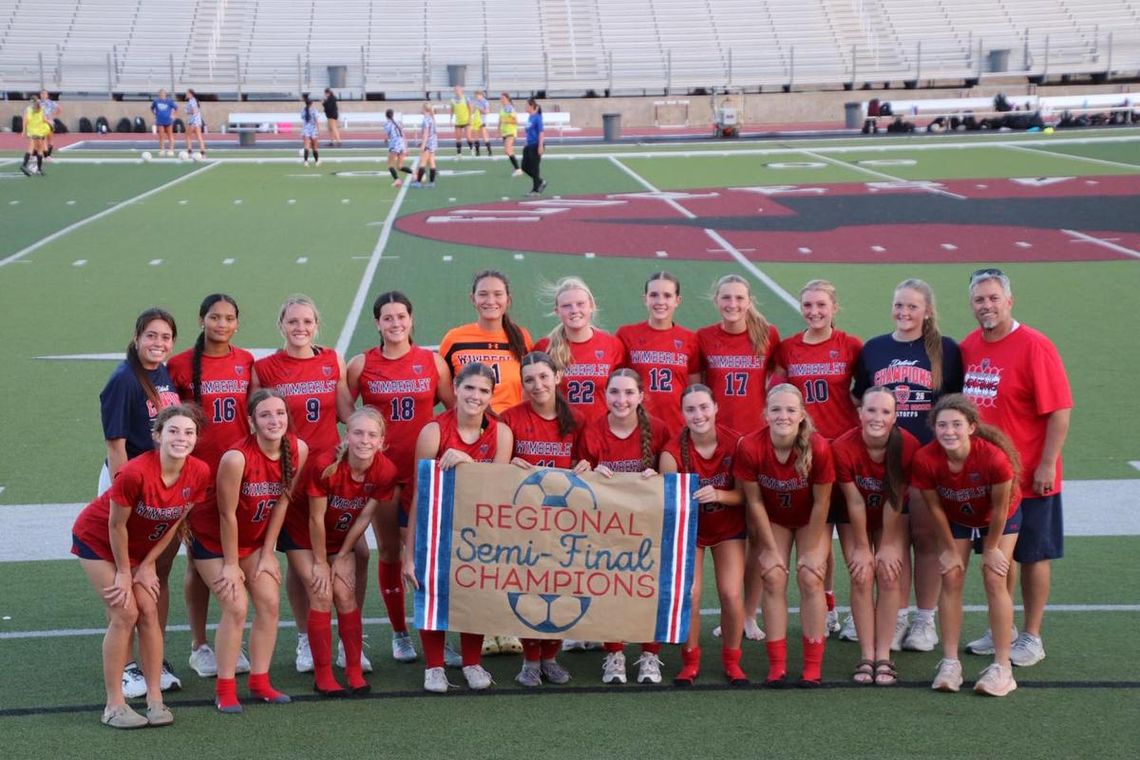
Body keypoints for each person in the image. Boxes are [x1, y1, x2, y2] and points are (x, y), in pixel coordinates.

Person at [72, 405, 211, 728]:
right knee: (125, 612)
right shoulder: (134, 473)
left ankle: (154, 699)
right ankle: (114, 705)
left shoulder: (199, 471)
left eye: (189, 432)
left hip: (136, 550)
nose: (181, 438)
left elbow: (176, 520)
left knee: (149, 610)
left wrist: (147, 564)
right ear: (158, 435)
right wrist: (124, 571)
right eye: (173, 431)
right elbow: (115, 526)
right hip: (98, 541)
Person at [959, 268, 1071, 667]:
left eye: (993, 298)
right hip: (987, 479)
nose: (986, 306)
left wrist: (1046, 464)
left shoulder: (1034, 345)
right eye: (979, 300)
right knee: (995, 557)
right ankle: (1000, 628)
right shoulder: (970, 346)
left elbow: (1059, 411)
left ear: (1009, 300)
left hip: (1030, 476)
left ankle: (1032, 635)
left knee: (1032, 555)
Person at [852, 278, 963, 652]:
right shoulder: (874, 349)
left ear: (927, 311)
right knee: (891, 541)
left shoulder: (946, 350)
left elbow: (956, 406)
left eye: (912, 306)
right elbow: (862, 402)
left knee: (926, 540)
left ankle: (924, 620)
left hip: (931, 461)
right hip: (889, 462)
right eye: (899, 305)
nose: (904, 313)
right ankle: (896, 614)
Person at [345, 291, 454, 663]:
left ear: (411, 319)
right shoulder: (362, 364)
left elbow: (453, 409)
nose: (395, 324)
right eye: (387, 318)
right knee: (391, 551)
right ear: (377, 323)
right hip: (385, 473)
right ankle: (399, 633)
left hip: (425, 470)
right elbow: (345, 407)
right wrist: (363, 441)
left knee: (429, 554)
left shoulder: (432, 361)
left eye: (401, 317)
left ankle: (436, 633)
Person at [187, 390, 309, 712]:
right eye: (265, 415)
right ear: (252, 421)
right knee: (237, 605)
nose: (274, 420)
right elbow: (226, 514)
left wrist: (268, 552)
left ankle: (260, 681)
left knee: (269, 602)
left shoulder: (298, 448)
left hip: (253, 540)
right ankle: (225, 688)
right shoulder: (236, 457)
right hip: (214, 541)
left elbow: (283, 500)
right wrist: (230, 564)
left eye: (280, 413)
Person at [252, 295, 353, 674]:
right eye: (293, 321)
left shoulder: (331, 359)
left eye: (307, 321)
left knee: (349, 554)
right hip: (290, 471)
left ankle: (346, 636)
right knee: (300, 562)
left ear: (316, 325)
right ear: (281, 324)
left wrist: (366, 435)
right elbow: (257, 419)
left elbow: (344, 409)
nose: (300, 328)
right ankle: (305, 637)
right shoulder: (266, 368)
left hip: (331, 472)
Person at [405, 363, 513, 693]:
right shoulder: (433, 431)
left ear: (491, 395)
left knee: (474, 593)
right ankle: (434, 666)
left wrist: (467, 464)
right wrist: (409, 553)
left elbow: (497, 490)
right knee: (433, 591)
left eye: (483, 390)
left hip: (478, 531)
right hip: (436, 530)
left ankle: (471, 661)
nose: (475, 396)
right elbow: (418, 495)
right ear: (455, 389)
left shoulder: (501, 433)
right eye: (469, 388)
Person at [167, 294, 254, 679]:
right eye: (214, 317)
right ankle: (199, 644)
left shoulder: (246, 360)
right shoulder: (180, 364)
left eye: (229, 318)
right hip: (196, 474)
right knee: (197, 558)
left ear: (237, 323)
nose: (222, 323)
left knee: (235, 551)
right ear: (201, 319)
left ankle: (231, 635)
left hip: (237, 470)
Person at [282, 408, 399, 696]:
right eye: (358, 432)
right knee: (322, 593)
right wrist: (322, 562)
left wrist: (345, 553)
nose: (364, 440)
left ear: (382, 440)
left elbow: (363, 518)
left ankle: (354, 669)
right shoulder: (326, 465)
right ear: (347, 435)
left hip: (340, 536)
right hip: (303, 535)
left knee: (345, 593)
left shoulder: (385, 470)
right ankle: (322, 675)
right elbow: (314, 519)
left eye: (372, 435)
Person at [913, 394, 1023, 697]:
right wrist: (948, 548)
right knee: (950, 576)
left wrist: (991, 549)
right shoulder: (925, 458)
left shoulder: (994, 458)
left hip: (998, 516)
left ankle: (1003, 668)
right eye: (942, 425)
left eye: (957, 425)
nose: (949, 431)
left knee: (994, 576)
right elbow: (935, 509)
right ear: (934, 428)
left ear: (972, 427)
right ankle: (950, 663)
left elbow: (1000, 509)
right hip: (957, 513)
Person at [99, 307, 183, 697]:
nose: (158, 344)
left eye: (165, 338)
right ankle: (128, 665)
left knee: (158, 574)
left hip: (160, 484)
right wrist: (124, 493)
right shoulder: (124, 380)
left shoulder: (161, 373)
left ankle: (154, 655)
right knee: (128, 576)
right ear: (137, 338)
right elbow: (116, 444)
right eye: (152, 336)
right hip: (131, 486)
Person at [771, 279, 862, 637]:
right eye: (807, 305)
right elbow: (777, 392)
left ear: (834, 308)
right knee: (819, 536)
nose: (814, 312)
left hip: (845, 450)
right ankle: (826, 606)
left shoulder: (851, 346)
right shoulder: (788, 348)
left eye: (821, 305)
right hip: (805, 453)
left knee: (853, 536)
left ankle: (855, 612)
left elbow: (865, 393)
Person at [733, 384, 834, 687]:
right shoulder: (750, 446)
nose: (783, 416)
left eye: (791, 410)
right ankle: (777, 665)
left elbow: (822, 503)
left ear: (802, 415)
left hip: (810, 520)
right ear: (765, 414)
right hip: (773, 518)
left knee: (810, 576)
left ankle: (812, 666)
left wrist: (811, 551)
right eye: (776, 409)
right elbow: (754, 501)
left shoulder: (819, 447)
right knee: (773, 575)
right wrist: (769, 550)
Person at [697, 274, 779, 641]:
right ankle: (730, 609)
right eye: (726, 298)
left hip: (756, 442)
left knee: (757, 532)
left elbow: (776, 385)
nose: (732, 304)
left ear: (749, 300)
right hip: (718, 444)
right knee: (722, 527)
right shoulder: (704, 337)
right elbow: (698, 389)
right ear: (716, 299)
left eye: (739, 298)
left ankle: (749, 614)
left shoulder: (767, 334)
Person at [574, 369, 670, 685]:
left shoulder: (658, 430)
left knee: (647, 588)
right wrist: (589, 473)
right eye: (615, 392)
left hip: (646, 525)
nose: (622, 400)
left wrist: (657, 477)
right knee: (611, 587)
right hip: (606, 526)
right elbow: (579, 481)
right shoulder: (593, 431)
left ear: (641, 396)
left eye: (629, 393)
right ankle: (614, 653)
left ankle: (649, 655)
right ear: (605, 395)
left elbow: (671, 478)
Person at [500, 351, 581, 686]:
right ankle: (530, 659)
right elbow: (497, 472)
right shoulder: (509, 419)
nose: (537, 385)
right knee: (529, 589)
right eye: (529, 379)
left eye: (544, 377)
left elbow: (588, 466)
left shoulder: (577, 419)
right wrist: (509, 468)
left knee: (561, 588)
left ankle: (551, 657)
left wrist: (587, 469)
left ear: (557, 377)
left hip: (566, 523)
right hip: (527, 523)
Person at [658, 384, 748, 686]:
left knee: (731, 594)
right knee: (690, 594)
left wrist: (719, 495)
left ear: (716, 408)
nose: (698, 415)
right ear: (682, 414)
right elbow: (669, 503)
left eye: (704, 407)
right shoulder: (672, 452)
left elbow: (745, 496)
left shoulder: (736, 444)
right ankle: (690, 660)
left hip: (728, 527)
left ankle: (732, 660)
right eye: (691, 409)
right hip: (691, 531)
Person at [831, 387, 920, 685]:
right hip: (852, 514)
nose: (877, 418)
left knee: (889, 573)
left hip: (888, 511)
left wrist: (887, 545)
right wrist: (861, 546)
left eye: (885, 412)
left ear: (896, 417)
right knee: (861, 574)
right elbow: (853, 501)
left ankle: (884, 655)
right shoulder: (843, 447)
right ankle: (866, 656)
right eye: (871, 410)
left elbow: (895, 497)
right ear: (859, 413)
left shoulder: (907, 445)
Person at [616, 271, 701, 435]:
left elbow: (694, 390)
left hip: (677, 427)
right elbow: (616, 384)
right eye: (654, 295)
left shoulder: (690, 339)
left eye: (667, 295)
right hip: (636, 427)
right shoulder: (627, 335)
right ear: (645, 299)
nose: (660, 301)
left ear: (677, 300)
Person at [533, 276, 627, 422]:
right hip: (560, 432)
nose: (574, 310)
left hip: (600, 434)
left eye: (580, 304)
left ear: (591, 306)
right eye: (567, 306)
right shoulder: (544, 348)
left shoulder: (612, 345)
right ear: (557, 311)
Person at [439, 270, 532, 414]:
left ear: (508, 299)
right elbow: (441, 387)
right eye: (483, 294)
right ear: (472, 299)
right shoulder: (454, 339)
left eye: (498, 294)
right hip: (471, 429)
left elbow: (530, 385)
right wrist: (463, 414)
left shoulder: (522, 337)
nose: (490, 301)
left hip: (512, 427)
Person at [521, 97, 547, 195]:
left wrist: (540, 146)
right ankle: (540, 181)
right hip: (529, 145)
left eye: (526, 105)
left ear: (531, 106)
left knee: (535, 167)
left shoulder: (537, 117)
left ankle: (535, 189)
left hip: (536, 145)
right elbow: (529, 132)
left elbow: (541, 132)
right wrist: (526, 143)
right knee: (524, 166)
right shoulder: (530, 117)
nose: (525, 107)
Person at [410, 102, 438, 188]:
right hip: (433, 143)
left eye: (422, 108)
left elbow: (425, 135)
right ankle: (432, 182)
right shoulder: (431, 119)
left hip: (428, 144)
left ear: (425, 110)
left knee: (423, 163)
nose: (420, 109)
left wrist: (423, 145)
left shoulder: (426, 120)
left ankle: (418, 182)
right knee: (432, 162)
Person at [383, 109, 413, 187]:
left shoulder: (387, 124)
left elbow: (386, 137)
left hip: (395, 144)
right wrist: (406, 148)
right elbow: (403, 135)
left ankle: (397, 180)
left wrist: (385, 140)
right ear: (393, 115)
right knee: (399, 166)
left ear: (386, 116)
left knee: (390, 165)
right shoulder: (398, 123)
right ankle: (414, 173)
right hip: (402, 144)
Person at [20, 97, 49, 177]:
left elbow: (25, 120)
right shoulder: (41, 109)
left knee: (31, 148)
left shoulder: (28, 109)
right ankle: (37, 169)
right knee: (39, 149)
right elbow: (44, 120)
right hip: (39, 131)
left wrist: (23, 130)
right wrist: (50, 125)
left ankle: (26, 165)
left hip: (31, 131)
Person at [498, 92, 522, 176]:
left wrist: (506, 121)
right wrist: (498, 131)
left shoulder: (510, 108)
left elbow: (515, 121)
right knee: (507, 151)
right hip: (504, 132)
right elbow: (500, 120)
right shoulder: (502, 109)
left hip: (511, 132)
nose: (501, 100)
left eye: (503, 98)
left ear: (507, 99)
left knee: (508, 150)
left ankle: (518, 169)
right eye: (501, 98)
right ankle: (517, 168)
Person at [151, 89, 177, 157]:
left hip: (168, 120)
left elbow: (176, 108)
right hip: (160, 120)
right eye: (160, 93)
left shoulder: (169, 101)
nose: (162, 94)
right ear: (159, 94)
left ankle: (171, 150)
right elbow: (152, 108)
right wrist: (155, 114)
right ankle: (162, 149)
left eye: (163, 93)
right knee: (161, 135)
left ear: (165, 94)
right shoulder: (156, 101)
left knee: (170, 135)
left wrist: (173, 115)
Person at [183, 89, 206, 157]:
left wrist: (189, 113)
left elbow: (195, 111)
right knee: (199, 137)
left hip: (193, 121)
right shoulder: (193, 100)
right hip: (197, 121)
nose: (186, 94)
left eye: (187, 93)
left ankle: (189, 151)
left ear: (191, 94)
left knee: (188, 136)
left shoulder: (192, 101)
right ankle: (203, 153)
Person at [451, 85, 472, 156]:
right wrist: (451, 119)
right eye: (455, 90)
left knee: (468, 137)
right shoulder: (453, 100)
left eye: (457, 90)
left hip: (466, 120)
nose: (456, 91)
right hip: (458, 121)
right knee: (458, 137)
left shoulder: (466, 98)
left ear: (461, 90)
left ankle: (472, 150)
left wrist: (469, 118)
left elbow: (470, 109)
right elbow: (452, 109)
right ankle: (459, 153)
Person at [38, 89, 59, 159]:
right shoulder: (38, 103)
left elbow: (59, 109)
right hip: (41, 123)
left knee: (50, 139)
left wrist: (53, 115)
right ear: (40, 95)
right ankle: (45, 155)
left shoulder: (51, 102)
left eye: (45, 94)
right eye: (42, 94)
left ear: (47, 95)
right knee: (42, 139)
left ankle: (48, 155)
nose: (43, 95)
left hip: (49, 122)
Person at [470, 89, 492, 157]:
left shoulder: (485, 102)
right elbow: (472, 111)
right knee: (476, 136)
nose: (476, 97)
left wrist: (480, 109)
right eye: (476, 96)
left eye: (477, 95)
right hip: (476, 121)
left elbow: (487, 111)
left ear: (481, 95)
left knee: (484, 136)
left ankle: (489, 151)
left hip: (482, 121)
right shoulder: (475, 102)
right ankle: (477, 151)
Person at [300, 96, 320, 166]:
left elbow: (303, 119)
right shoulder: (315, 110)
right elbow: (317, 121)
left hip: (305, 129)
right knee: (314, 146)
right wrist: (318, 130)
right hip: (313, 129)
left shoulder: (303, 110)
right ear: (311, 103)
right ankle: (317, 161)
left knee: (306, 146)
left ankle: (306, 161)